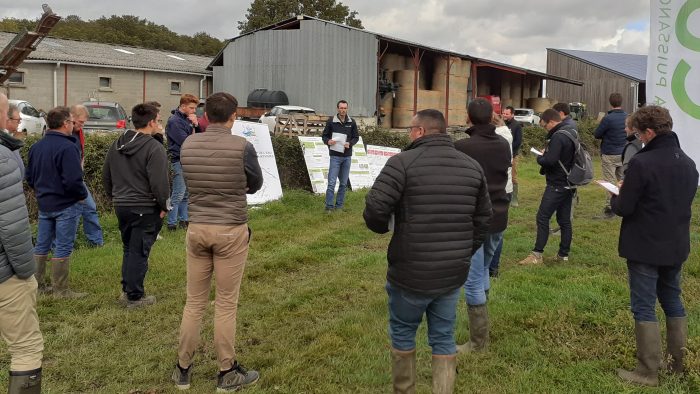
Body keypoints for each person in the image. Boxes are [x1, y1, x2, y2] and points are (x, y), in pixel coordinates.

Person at [364, 109, 492, 393]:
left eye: (411, 130)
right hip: (451, 272)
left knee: (402, 332)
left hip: (409, 271)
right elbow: (483, 219)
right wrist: (462, 252)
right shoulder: (471, 166)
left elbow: (374, 210)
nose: (410, 134)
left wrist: (384, 228)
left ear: (420, 131)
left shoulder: (401, 163)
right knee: (443, 336)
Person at [172, 92, 263, 392]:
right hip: (230, 229)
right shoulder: (242, 146)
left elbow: (191, 179)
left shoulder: (188, 143)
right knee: (225, 304)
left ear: (206, 115)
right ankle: (227, 372)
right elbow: (256, 183)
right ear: (234, 115)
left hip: (197, 227)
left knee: (194, 302)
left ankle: (182, 369)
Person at [611, 106, 698, 386]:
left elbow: (625, 207)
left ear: (649, 132)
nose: (639, 139)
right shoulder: (688, 163)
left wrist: (617, 194)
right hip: (675, 244)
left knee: (644, 306)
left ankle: (647, 371)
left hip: (645, 245)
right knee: (673, 301)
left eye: (639, 134)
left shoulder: (642, 163)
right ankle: (677, 364)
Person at [454, 99, 511, 353]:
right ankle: (482, 326)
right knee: (485, 267)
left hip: (474, 219)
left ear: (468, 117)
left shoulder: (462, 148)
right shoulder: (503, 144)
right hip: (499, 215)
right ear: (493, 117)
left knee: (473, 280)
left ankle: (478, 342)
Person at [103, 103, 170, 308]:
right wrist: (164, 205)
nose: (160, 124)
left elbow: (107, 176)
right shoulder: (153, 147)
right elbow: (159, 182)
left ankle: (127, 289)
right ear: (151, 122)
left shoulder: (116, 144)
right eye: (158, 120)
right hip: (144, 206)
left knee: (129, 248)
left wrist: (115, 196)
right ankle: (134, 296)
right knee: (139, 250)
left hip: (122, 204)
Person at [0, 93, 44, 394]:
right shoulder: (3, 158)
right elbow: (11, 224)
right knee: (26, 345)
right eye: (6, 112)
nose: (9, 119)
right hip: (5, 271)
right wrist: (26, 271)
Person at [26, 106, 88, 298]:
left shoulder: (36, 147)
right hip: (66, 204)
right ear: (64, 124)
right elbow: (73, 180)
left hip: (44, 204)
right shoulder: (69, 147)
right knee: (63, 246)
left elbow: (29, 178)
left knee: (41, 245)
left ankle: (38, 286)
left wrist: (42, 192)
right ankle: (61, 290)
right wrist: (80, 196)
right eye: (71, 121)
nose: (73, 125)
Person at [517, 109, 576, 265]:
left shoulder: (558, 137)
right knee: (564, 220)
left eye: (544, 126)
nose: (545, 129)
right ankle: (563, 255)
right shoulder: (571, 132)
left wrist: (541, 157)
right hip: (569, 183)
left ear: (551, 121)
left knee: (542, 217)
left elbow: (550, 161)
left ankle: (537, 255)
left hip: (557, 184)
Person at [70, 104, 104, 247]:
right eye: (81, 122)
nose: (82, 125)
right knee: (72, 213)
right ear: (72, 118)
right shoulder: (65, 133)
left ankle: (95, 242)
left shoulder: (79, 132)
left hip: (78, 178)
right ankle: (64, 244)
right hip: (69, 179)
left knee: (90, 207)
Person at [165, 93, 201, 231]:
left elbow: (199, 137)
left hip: (188, 160)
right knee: (178, 193)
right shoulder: (174, 121)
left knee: (186, 194)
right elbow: (186, 142)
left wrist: (196, 125)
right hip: (179, 160)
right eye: (191, 108)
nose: (194, 111)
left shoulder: (188, 119)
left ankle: (184, 220)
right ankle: (171, 223)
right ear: (183, 106)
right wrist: (193, 127)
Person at [321, 99, 359, 212]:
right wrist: (328, 141)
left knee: (343, 183)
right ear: (337, 108)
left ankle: (339, 206)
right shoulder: (331, 121)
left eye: (345, 108)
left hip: (347, 157)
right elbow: (324, 136)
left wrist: (350, 143)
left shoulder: (352, 122)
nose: (343, 110)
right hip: (335, 157)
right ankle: (329, 207)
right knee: (331, 183)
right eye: (341, 108)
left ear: (347, 109)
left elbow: (356, 137)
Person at [594, 93, 627, 218]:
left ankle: (610, 209)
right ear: (621, 102)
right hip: (623, 153)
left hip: (609, 154)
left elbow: (597, 134)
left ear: (610, 102)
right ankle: (624, 205)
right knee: (622, 180)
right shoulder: (626, 117)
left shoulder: (608, 118)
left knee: (610, 182)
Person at [489, 113, 513, 278]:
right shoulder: (507, 135)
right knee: (498, 230)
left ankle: (486, 267)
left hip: (493, 187)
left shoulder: (495, 138)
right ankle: (493, 268)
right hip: (506, 187)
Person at [550, 102, 579, 235]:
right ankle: (562, 227)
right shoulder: (571, 124)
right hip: (569, 170)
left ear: (561, 113)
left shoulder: (567, 126)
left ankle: (563, 229)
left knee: (566, 204)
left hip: (566, 172)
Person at [502, 106, 522, 206]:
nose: (504, 115)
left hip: (513, 155)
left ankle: (514, 199)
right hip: (501, 155)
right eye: (503, 113)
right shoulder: (501, 124)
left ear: (512, 114)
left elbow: (518, 142)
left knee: (513, 177)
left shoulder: (516, 125)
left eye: (507, 114)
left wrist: (508, 148)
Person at [1, 102, 25, 175]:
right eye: (18, 120)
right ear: (7, 119)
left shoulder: (9, 140)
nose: (19, 123)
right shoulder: (4, 141)